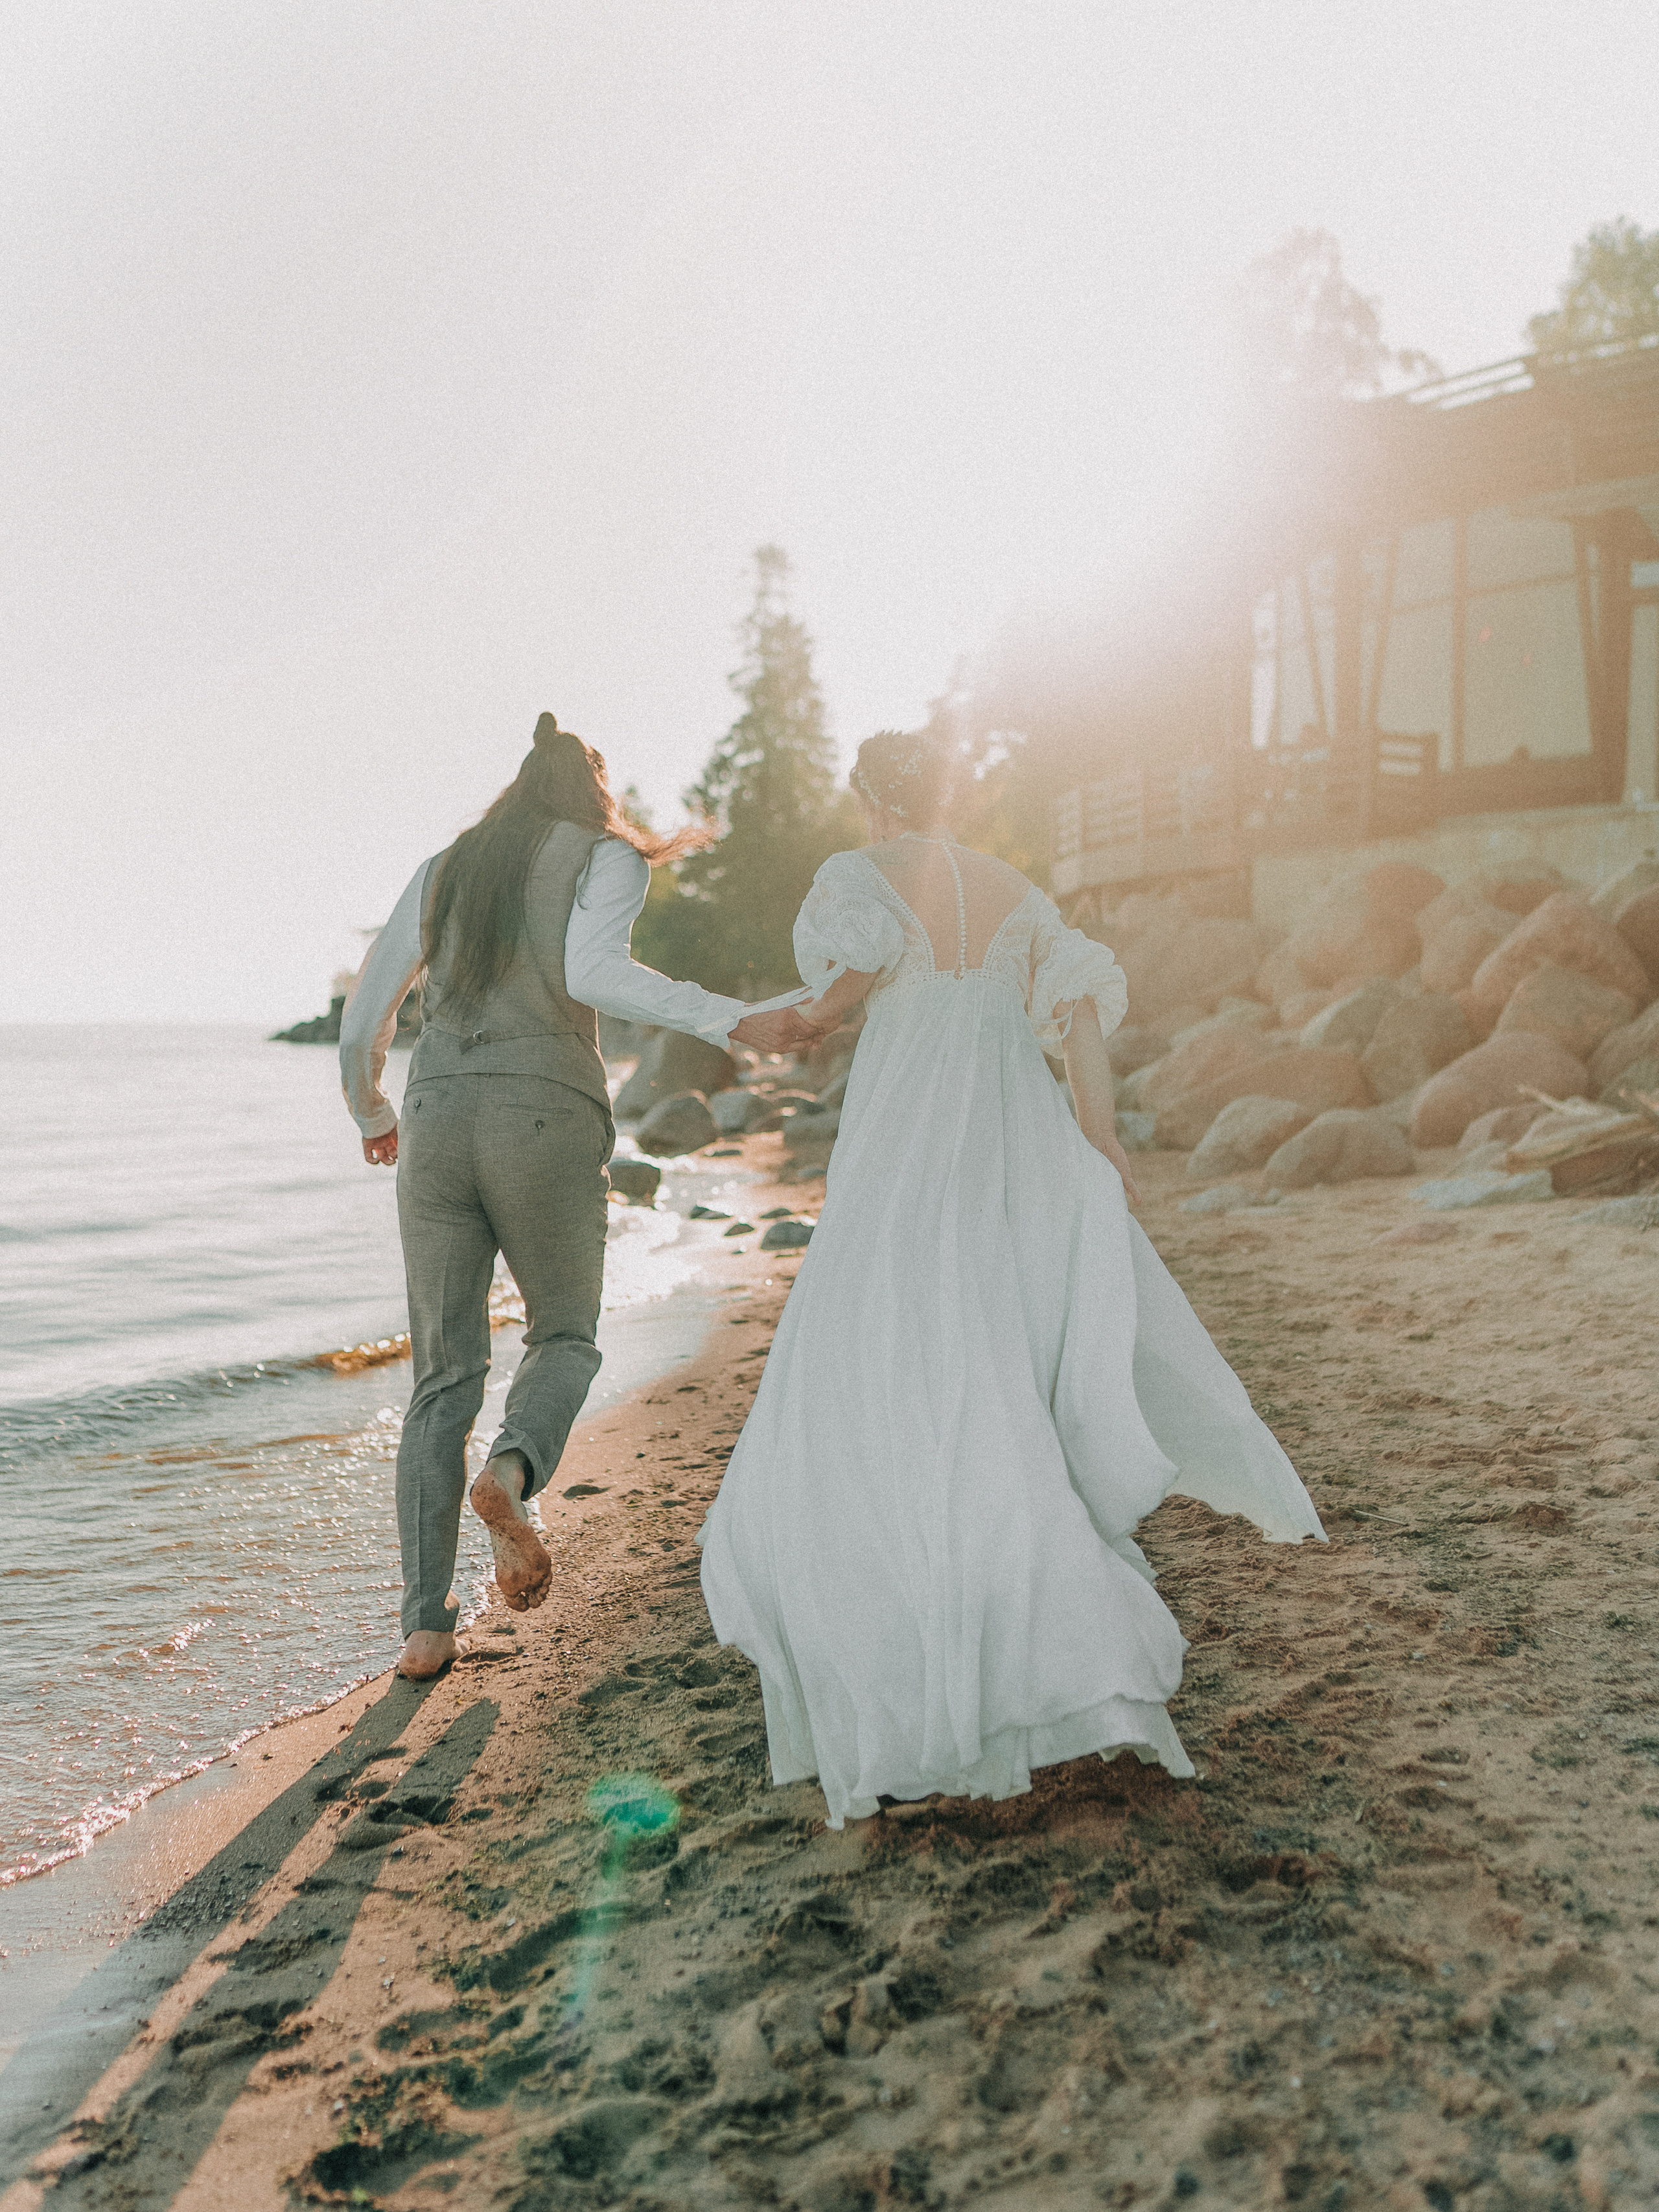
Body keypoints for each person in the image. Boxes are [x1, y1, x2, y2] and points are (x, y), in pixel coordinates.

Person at [697, 730, 1325, 1828]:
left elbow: (834, 998)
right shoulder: (1017, 892)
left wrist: (762, 1029)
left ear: (871, 800)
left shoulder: (859, 879)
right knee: (987, 1352)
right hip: (1003, 1145)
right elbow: (1078, 1017)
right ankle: (1033, 1621)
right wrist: (1101, 1145)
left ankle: (913, 1645)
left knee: (882, 1354)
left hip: (902, 1149)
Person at [342, 713, 813, 1680]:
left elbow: (363, 1019)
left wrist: (372, 1110)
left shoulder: (446, 868)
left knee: (441, 1378)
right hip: (543, 1115)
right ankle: (510, 1473)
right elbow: (593, 972)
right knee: (562, 1334)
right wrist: (732, 1020)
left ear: (517, 788)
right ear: (595, 792)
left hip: (433, 1123)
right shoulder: (605, 856)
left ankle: (426, 1626)